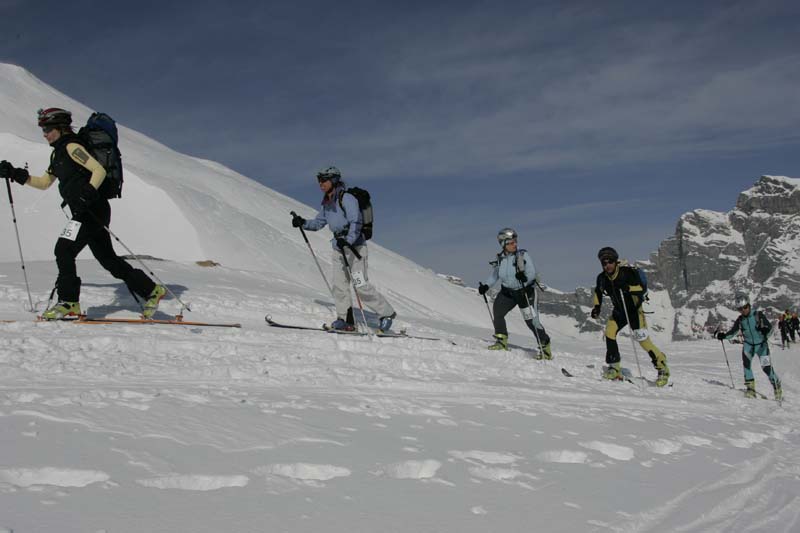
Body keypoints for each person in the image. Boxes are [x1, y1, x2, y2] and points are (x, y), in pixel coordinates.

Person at [0, 108, 165, 320]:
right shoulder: (57, 154)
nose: (45, 134)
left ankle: (69, 302)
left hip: (92, 209)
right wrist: (15, 174)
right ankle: (151, 290)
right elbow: (43, 183)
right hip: (86, 210)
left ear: (60, 128)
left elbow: (98, 170)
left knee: (63, 250)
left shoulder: (72, 147)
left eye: (48, 129)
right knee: (108, 259)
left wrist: (88, 192)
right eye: (43, 130)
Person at [291, 166, 395, 332]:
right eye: (319, 180)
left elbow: (356, 221)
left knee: (360, 285)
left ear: (333, 180)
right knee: (339, 286)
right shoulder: (327, 203)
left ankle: (386, 314)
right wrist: (303, 223)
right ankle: (346, 320)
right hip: (338, 249)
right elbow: (318, 223)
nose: (320, 183)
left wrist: (348, 241)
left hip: (355, 249)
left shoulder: (347, 198)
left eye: (323, 180)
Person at [590, 247, 670, 386]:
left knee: (643, 341)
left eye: (610, 262)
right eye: (604, 263)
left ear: (615, 261)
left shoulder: (627, 273)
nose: (607, 265)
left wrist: (628, 288)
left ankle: (662, 367)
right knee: (609, 332)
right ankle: (614, 366)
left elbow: (642, 288)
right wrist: (597, 307)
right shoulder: (602, 278)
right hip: (619, 311)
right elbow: (598, 292)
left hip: (634, 311)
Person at [478, 228, 552, 359]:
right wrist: (486, 286)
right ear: (503, 244)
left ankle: (545, 348)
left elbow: (532, 272)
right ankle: (501, 341)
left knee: (532, 322)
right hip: (508, 293)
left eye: (515, 241)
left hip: (525, 293)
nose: (515, 244)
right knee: (498, 312)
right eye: (511, 242)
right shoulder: (500, 258)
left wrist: (524, 278)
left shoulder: (522, 255)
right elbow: (495, 275)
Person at [716, 293, 782, 400]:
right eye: (740, 309)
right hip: (748, 345)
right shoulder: (740, 320)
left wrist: (765, 331)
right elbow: (733, 332)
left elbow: (770, 329)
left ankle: (777, 386)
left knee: (766, 368)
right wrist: (723, 336)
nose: (743, 310)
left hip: (761, 346)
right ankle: (750, 390)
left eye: (745, 307)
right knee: (746, 366)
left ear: (749, 305)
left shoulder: (758, 315)